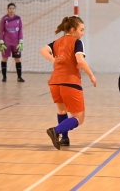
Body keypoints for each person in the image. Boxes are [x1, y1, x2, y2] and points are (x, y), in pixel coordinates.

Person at [40, 16, 96, 150]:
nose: (82, 33)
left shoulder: (57, 42)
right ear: (73, 29)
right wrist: (91, 75)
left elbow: (43, 50)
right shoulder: (77, 42)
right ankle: (56, 130)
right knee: (79, 118)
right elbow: (80, 60)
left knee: (62, 110)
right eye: (81, 30)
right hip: (70, 82)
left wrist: (54, 60)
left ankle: (64, 139)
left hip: (54, 82)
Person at [0, 2, 24, 82]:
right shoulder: (4, 19)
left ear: (15, 9)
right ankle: (4, 77)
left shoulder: (18, 18)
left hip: (16, 42)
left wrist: (21, 41)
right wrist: (1, 42)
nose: (11, 10)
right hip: (6, 43)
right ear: (7, 9)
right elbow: (1, 31)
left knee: (17, 59)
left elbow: (20, 31)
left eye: (13, 8)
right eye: (10, 8)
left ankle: (19, 77)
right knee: (4, 58)